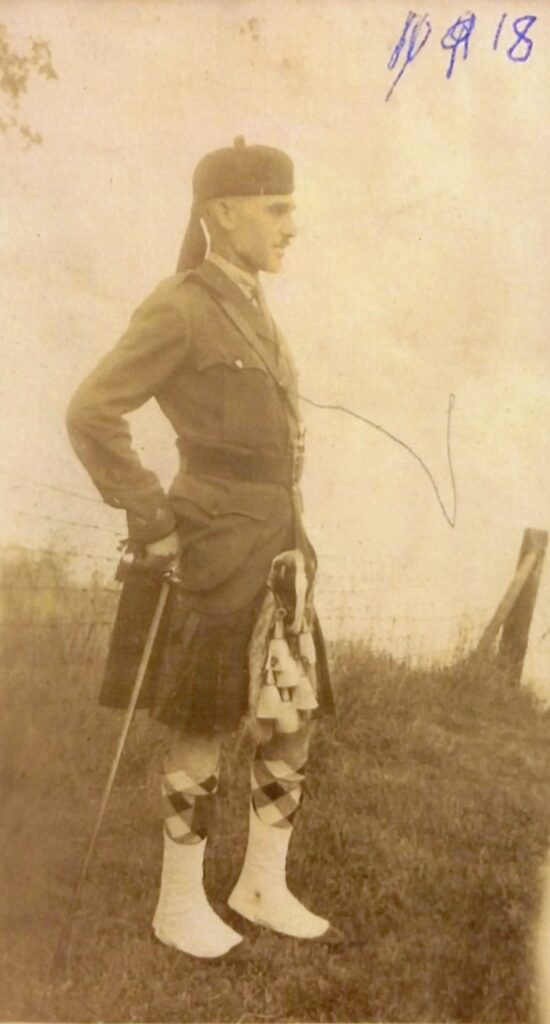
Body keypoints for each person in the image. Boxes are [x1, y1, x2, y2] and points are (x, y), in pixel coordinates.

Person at [66, 137, 336, 960]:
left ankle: (262, 884)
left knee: (293, 715)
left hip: (280, 542)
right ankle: (177, 904)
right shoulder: (181, 305)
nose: (292, 225)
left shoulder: (252, 302)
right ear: (223, 212)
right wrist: (152, 518)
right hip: (214, 544)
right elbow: (91, 410)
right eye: (276, 209)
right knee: (203, 719)